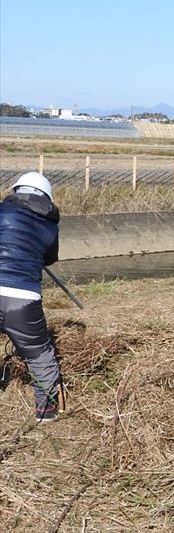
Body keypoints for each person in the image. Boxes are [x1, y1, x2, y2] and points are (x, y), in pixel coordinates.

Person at [0, 172, 65, 422]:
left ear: (16, 191)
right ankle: (46, 411)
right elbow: (50, 258)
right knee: (38, 353)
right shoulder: (50, 225)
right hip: (24, 298)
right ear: (46, 197)